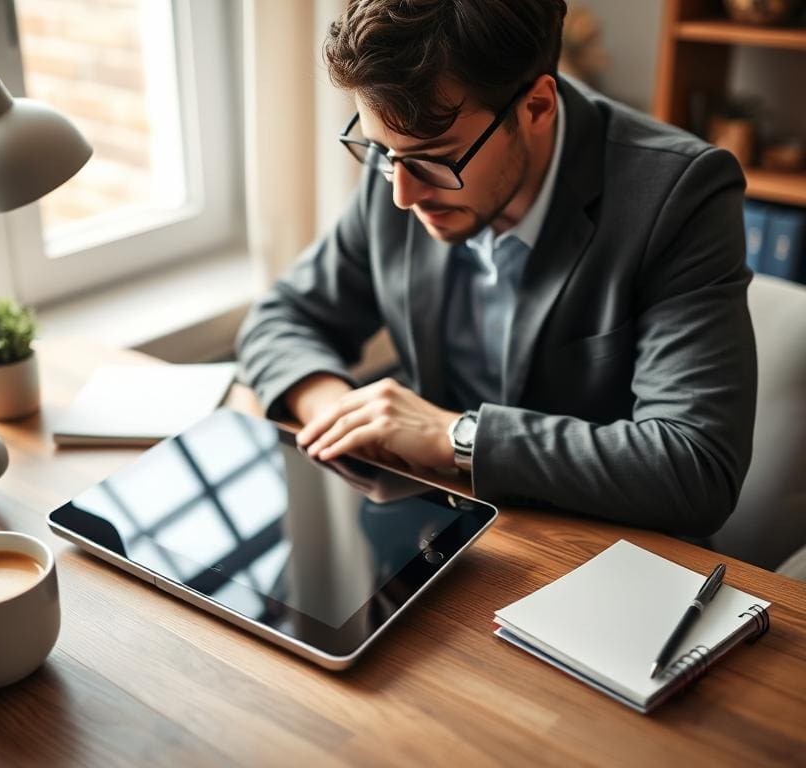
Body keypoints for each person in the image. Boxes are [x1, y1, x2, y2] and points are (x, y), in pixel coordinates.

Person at [235, 0, 756, 536]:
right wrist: (341, 413)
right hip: (434, 522)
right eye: (381, 152)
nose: (401, 195)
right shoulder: (401, 157)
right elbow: (280, 318)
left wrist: (455, 436)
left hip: (597, 550)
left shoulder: (679, 196)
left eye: (435, 158)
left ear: (535, 107)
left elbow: (697, 468)